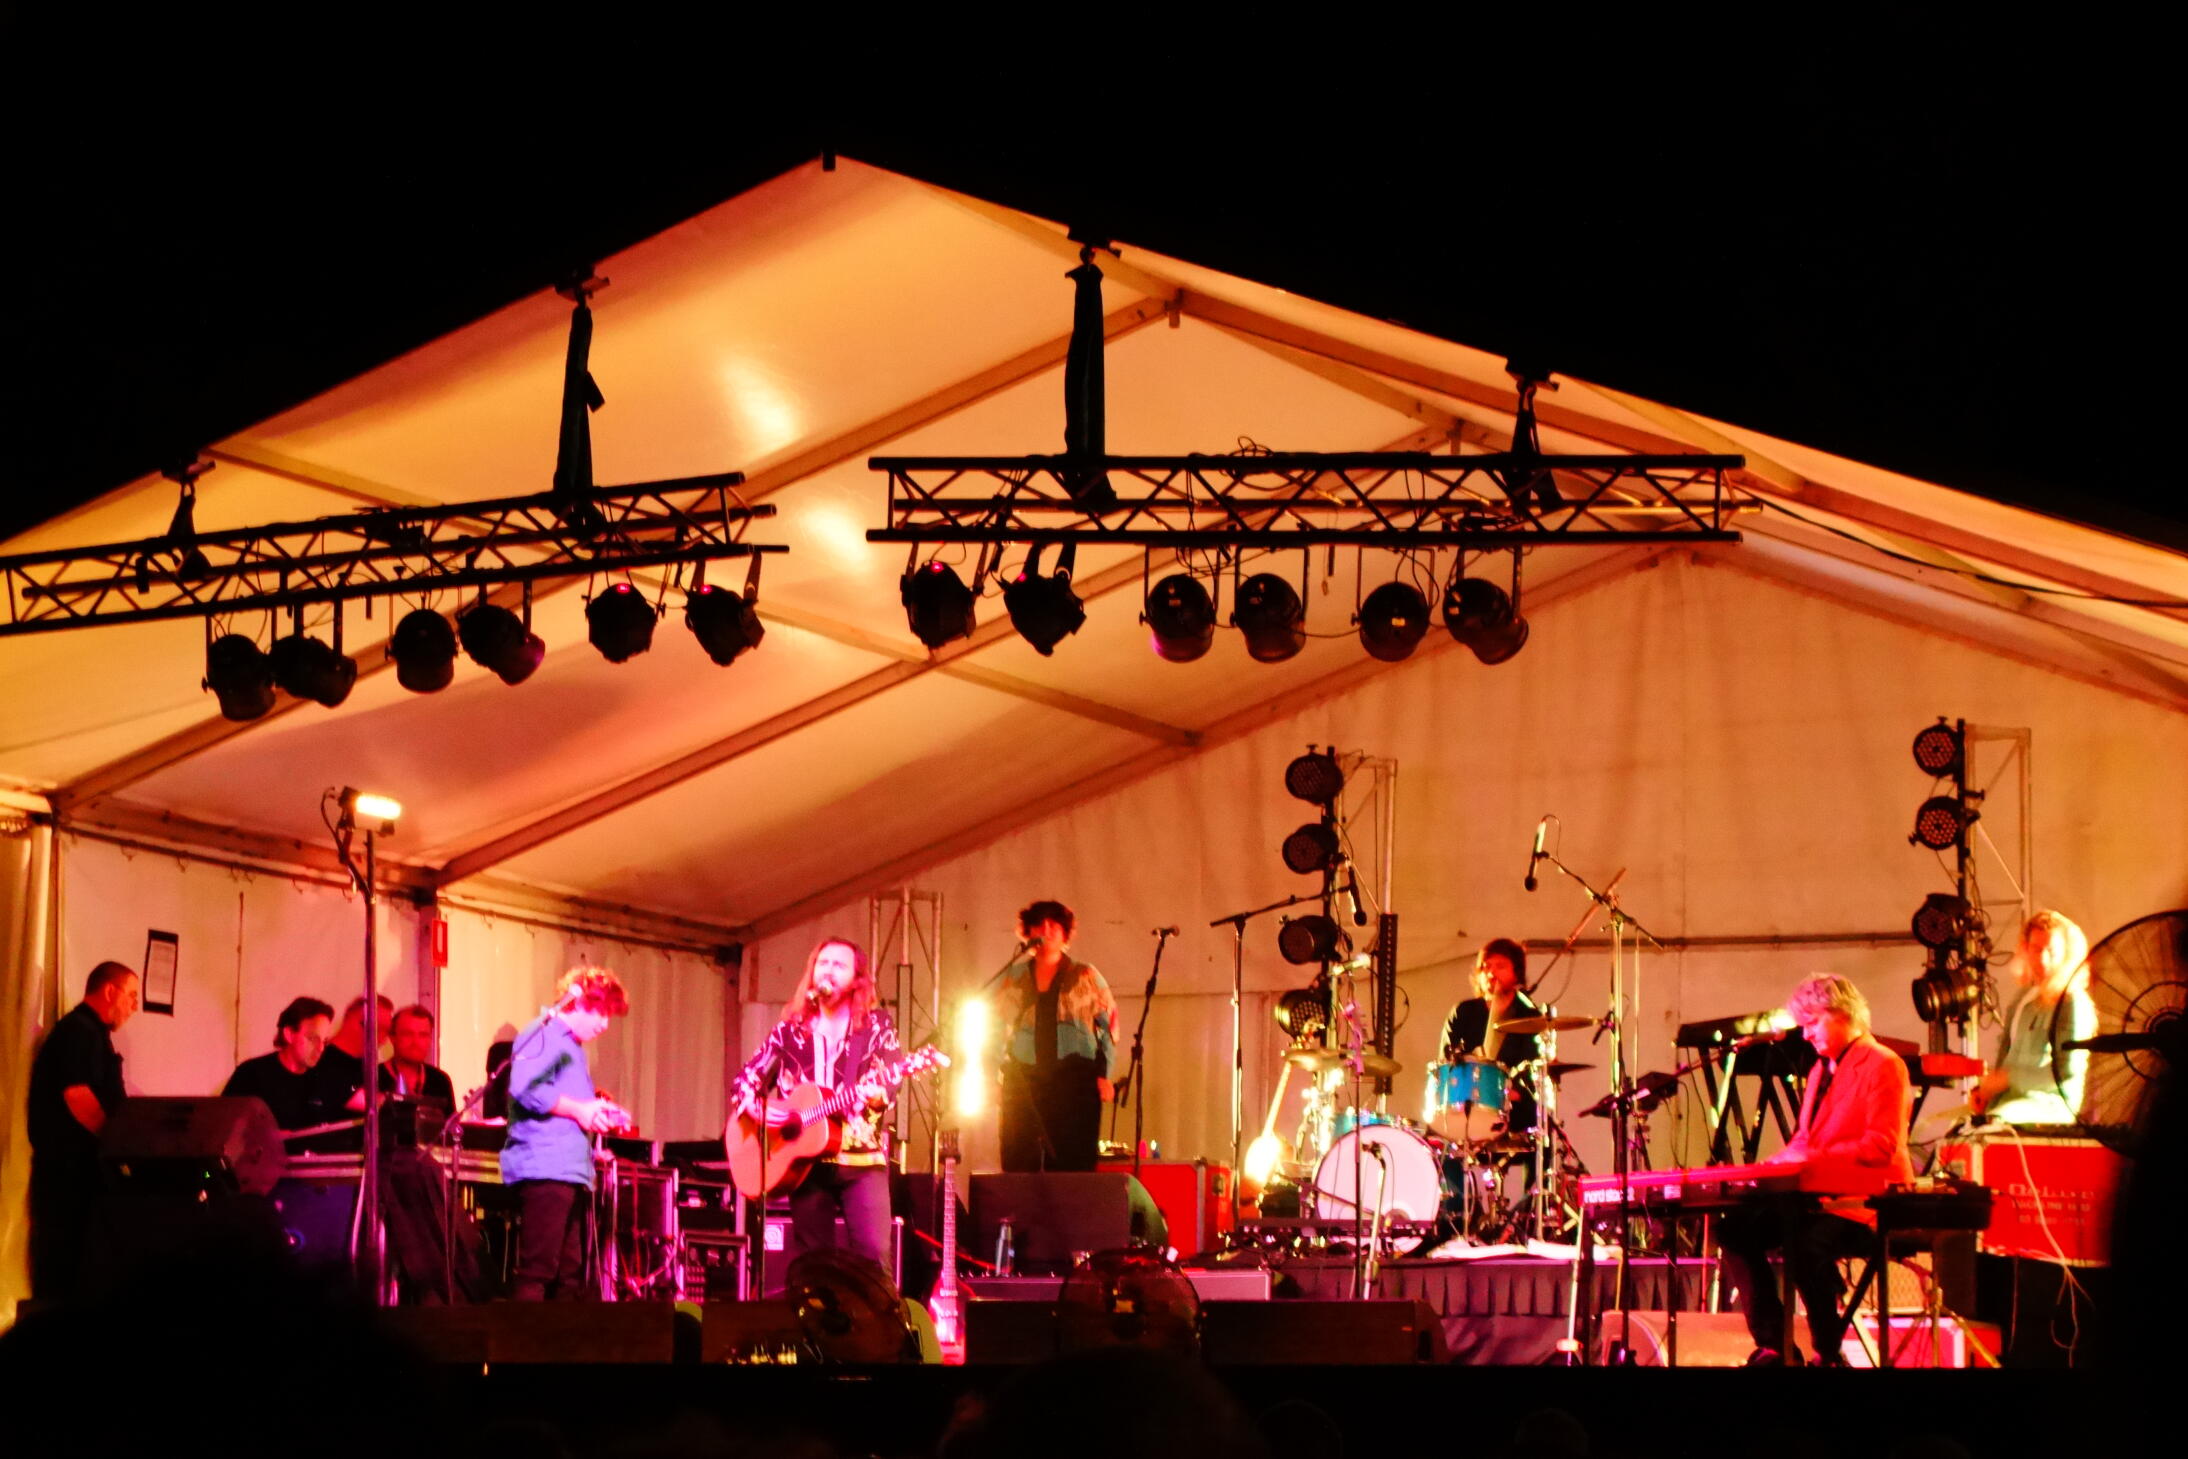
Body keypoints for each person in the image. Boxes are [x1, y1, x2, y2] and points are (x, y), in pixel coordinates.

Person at [1716, 972, 1913, 1365]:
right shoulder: (1821, 1071)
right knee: (1734, 1230)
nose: (1805, 1035)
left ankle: (1828, 1351)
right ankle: (1776, 1345)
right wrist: (1769, 1167)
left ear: (1843, 1014)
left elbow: (1880, 1146)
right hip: (1818, 1197)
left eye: (1813, 1023)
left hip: (1865, 1203)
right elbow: (1805, 1140)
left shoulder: (1883, 1064)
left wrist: (1809, 1159)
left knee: (1805, 1246)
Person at [728, 938, 904, 1275]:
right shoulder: (790, 1031)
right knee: (814, 1264)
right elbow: (745, 1081)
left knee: (873, 1257)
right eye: (823, 963)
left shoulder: (877, 1026)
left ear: (857, 979)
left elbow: (892, 1082)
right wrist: (758, 1109)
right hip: (805, 1164)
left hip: (861, 1160)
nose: (828, 971)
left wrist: (876, 1094)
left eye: (839, 965)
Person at [501, 966, 630, 1301]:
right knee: (539, 1269)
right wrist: (579, 1110)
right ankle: (522, 1335)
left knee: (568, 1275)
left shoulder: (572, 1047)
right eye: (602, 1013)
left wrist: (598, 1113)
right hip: (546, 1167)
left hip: (566, 1170)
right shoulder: (544, 1033)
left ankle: (557, 1335)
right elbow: (525, 1088)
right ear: (579, 1002)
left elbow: (569, 1104)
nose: (605, 1025)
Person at [26, 961, 140, 1300]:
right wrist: (115, 1144)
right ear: (110, 991)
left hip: (75, 1172)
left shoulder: (90, 1033)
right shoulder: (79, 1032)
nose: (135, 1006)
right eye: (131, 995)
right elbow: (77, 1095)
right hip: (69, 1174)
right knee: (66, 1266)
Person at [996, 900, 1116, 1173]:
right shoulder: (1014, 976)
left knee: (1072, 1160)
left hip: (1075, 1079)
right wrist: (992, 1076)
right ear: (1028, 932)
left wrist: (1105, 1074)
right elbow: (995, 1028)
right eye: (1039, 925)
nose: (1046, 930)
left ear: (1065, 933)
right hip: (1025, 1078)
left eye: (1054, 925)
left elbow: (1109, 1025)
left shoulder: (1085, 974)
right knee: (1019, 1155)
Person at [1971, 910, 2095, 1127]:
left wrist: (2008, 1079)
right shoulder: (2022, 997)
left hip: (2051, 1106)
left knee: (1997, 1123)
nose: (2043, 959)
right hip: (2011, 1103)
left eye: (2051, 951)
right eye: (2037, 949)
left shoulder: (2072, 1002)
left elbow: (2067, 1075)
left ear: (2066, 953)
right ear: (2025, 949)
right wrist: (1986, 1091)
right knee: (1961, 1127)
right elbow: (2005, 1055)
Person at [1437, 937, 1544, 1136]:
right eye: (1485, 967)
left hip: (1516, 1113)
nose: (1491, 973)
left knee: (1535, 1130)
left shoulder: (1529, 1017)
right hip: (1467, 1109)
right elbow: (1447, 1062)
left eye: (1500, 966)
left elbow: (1536, 1071)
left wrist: (1513, 1093)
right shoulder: (1463, 1012)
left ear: (1516, 972)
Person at [223, 997, 339, 1131]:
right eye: (313, 1038)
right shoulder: (251, 1074)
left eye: (324, 1041)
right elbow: (225, 1127)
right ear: (289, 1034)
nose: (321, 1048)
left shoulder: (325, 1077)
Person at [316, 993, 395, 1114]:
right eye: (373, 1027)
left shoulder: (370, 1068)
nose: (380, 1038)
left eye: (385, 1031)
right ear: (349, 1019)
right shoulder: (321, 1061)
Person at [379, 1004, 456, 1105]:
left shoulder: (440, 1080)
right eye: (407, 1034)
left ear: (430, 1039)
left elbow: (451, 1116)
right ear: (392, 1038)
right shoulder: (373, 1078)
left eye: (423, 1035)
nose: (416, 1042)